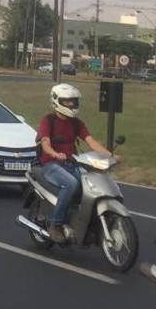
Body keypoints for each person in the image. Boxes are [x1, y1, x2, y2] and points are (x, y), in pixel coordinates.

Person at [38, 83, 115, 245]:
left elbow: (91, 141)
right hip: (51, 165)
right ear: (56, 100)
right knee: (71, 184)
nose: (71, 105)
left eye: (73, 101)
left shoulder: (76, 123)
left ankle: (81, 221)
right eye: (67, 102)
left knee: (90, 185)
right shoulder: (48, 121)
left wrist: (111, 156)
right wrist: (54, 154)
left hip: (72, 163)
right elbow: (45, 143)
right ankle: (56, 224)